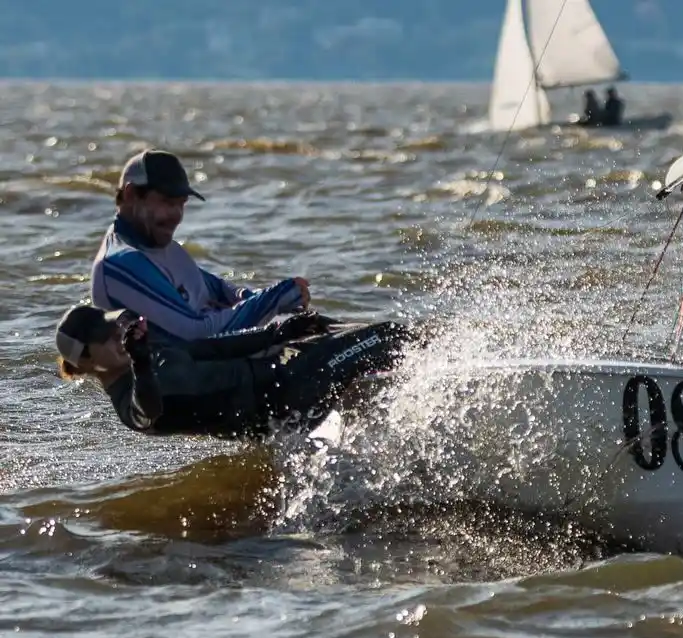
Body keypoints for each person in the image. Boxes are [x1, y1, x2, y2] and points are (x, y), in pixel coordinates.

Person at [53, 303, 417, 440]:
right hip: (281, 401)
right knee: (390, 337)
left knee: (366, 341)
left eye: (115, 325)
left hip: (280, 373)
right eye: (105, 335)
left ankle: (422, 408)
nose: (118, 333)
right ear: (84, 362)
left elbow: (212, 347)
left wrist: (280, 332)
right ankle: (456, 367)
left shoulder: (148, 350)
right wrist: (141, 361)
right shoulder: (127, 405)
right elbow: (148, 410)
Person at [89, 148, 315, 345]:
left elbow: (222, 293)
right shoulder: (120, 263)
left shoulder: (165, 250)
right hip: (176, 387)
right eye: (167, 203)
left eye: (182, 204)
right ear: (131, 195)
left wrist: (275, 300)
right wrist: (272, 300)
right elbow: (196, 333)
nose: (177, 216)